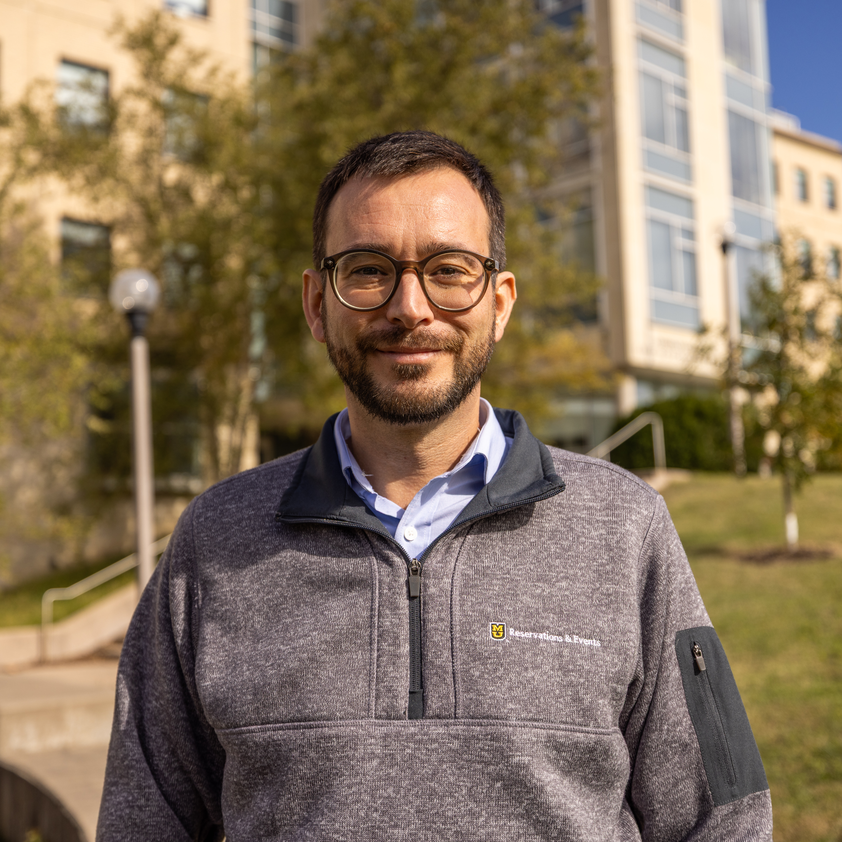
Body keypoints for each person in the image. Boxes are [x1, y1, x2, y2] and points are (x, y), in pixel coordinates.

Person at [97, 131, 773, 841]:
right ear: (316, 304)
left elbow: (726, 812)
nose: (410, 307)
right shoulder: (214, 541)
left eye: (449, 270)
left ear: (500, 302)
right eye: (367, 270)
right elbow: (142, 822)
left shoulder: (628, 526)